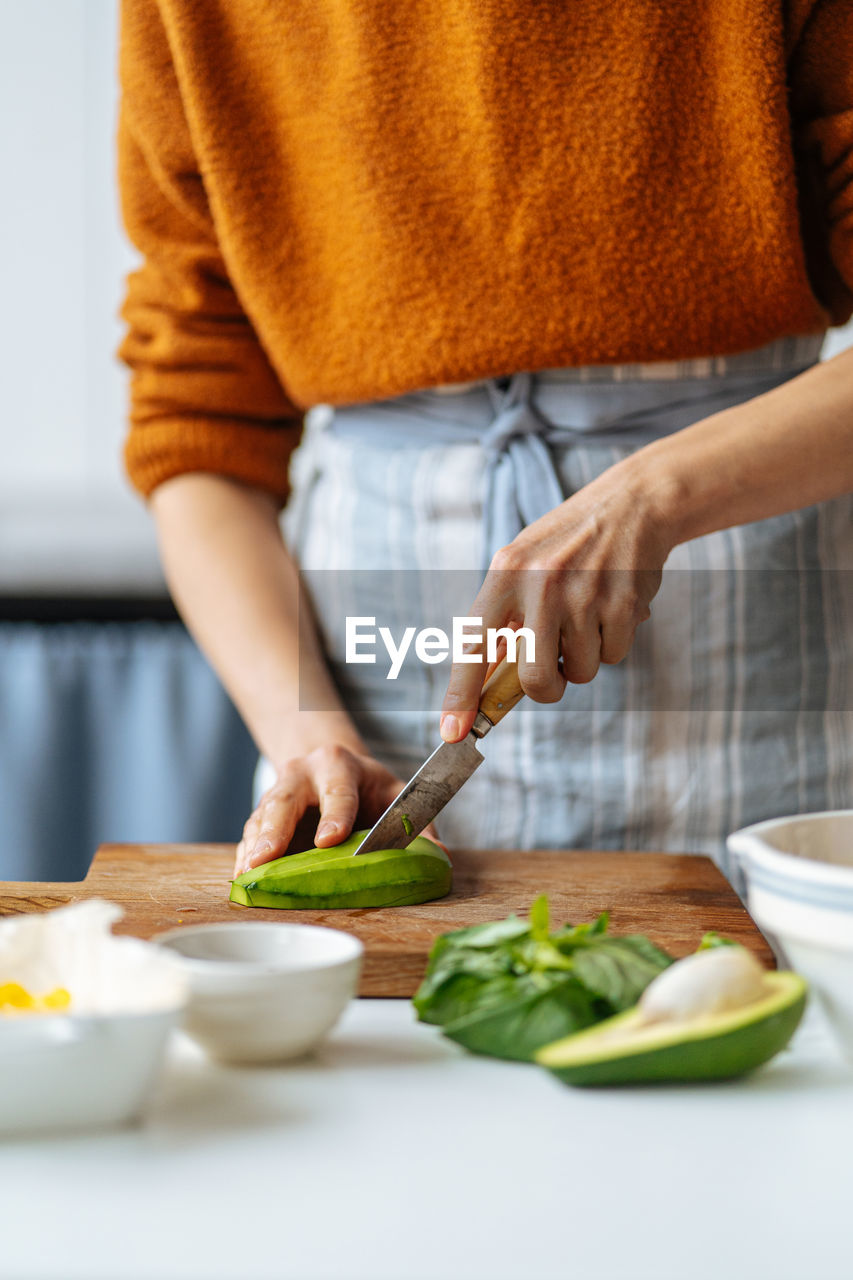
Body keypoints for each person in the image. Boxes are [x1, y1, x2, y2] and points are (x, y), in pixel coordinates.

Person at [117, 0, 853, 885]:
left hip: (755, 654)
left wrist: (656, 494)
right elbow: (197, 425)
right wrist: (304, 734)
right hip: (370, 668)